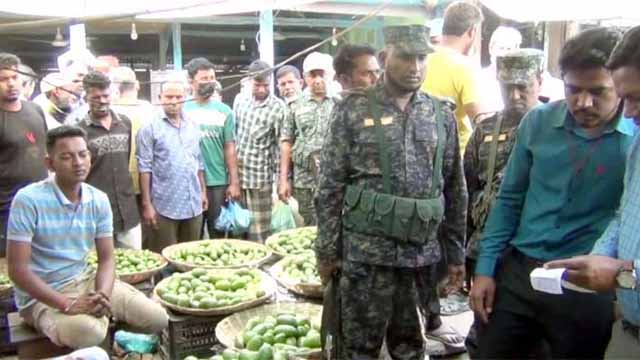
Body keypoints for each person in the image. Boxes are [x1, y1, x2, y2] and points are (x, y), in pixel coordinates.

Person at [468, 27, 631, 359]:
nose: (583, 102)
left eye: (598, 91)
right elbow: (510, 199)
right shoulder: (538, 122)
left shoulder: (634, 141)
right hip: (519, 272)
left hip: (583, 282)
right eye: (574, 90)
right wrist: (485, 269)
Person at [315, 25, 467, 359]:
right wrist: (327, 251)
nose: (415, 67)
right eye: (405, 57)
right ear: (386, 58)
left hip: (419, 257)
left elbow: (455, 188)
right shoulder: (351, 110)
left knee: (411, 345)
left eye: (421, 58)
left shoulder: (441, 114)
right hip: (366, 256)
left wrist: (455, 253)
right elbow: (330, 186)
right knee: (358, 348)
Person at [6, 125, 168, 349]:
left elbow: (107, 259)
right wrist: (67, 305)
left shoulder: (98, 199)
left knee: (158, 318)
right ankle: (95, 324)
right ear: (49, 163)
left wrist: (102, 294)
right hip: (42, 296)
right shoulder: (28, 200)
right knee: (90, 333)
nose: (78, 162)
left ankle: (99, 315)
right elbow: (17, 270)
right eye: (66, 157)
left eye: (83, 154)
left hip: (86, 281)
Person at [544, 25, 640, 359]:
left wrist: (624, 274)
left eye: (637, 98)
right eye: (624, 98)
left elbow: (626, 273)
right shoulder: (639, 144)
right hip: (628, 332)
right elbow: (625, 216)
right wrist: (600, 255)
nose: (627, 112)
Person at [463, 48, 546, 356]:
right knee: (487, 329)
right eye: (506, 87)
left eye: (523, 86)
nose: (514, 95)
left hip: (533, 253)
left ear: (539, 81)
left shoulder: (555, 128)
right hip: (487, 252)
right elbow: (466, 188)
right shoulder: (485, 130)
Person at [137, 76, 207, 252]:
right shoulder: (150, 128)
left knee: (190, 255)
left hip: (193, 204)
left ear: (185, 98)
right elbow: (144, 168)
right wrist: (147, 204)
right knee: (164, 257)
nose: (174, 102)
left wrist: (203, 192)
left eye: (178, 97)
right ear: (160, 98)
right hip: (164, 206)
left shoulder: (193, 125)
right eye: (169, 97)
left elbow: (198, 162)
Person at [78, 71, 141, 249]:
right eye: (96, 97)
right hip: (95, 212)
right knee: (99, 265)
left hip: (127, 210)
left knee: (135, 263)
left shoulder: (125, 123)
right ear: (86, 97)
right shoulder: (80, 130)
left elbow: (125, 161)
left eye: (105, 95)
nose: (102, 101)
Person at [183, 57, 240, 239]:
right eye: (204, 78)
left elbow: (229, 147)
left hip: (217, 182)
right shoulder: (182, 110)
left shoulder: (224, 111)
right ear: (191, 81)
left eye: (212, 78)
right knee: (193, 234)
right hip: (189, 183)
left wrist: (234, 181)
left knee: (218, 231)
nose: (209, 82)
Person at [279, 52, 338, 226]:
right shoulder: (294, 106)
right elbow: (286, 142)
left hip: (333, 178)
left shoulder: (341, 104)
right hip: (304, 180)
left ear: (331, 75)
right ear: (305, 78)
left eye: (322, 74)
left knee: (333, 223)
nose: (318, 79)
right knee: (309, 224)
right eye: (313, 75)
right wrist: (284, 180)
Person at [0, 53, 48, 257]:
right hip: (6, 207)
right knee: (10, 265)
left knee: (41, 259)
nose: (11, 84)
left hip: (41, 201)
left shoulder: (35, 109)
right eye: (3, 79)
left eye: (14, 77)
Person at [234, 60, 288, 242]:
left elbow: (283, 147)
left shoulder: (278, 107)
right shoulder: (240, 102)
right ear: (249, 81)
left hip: (260, 181)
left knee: (258, 234)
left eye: (266, 85)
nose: (262, 90)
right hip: (239, 180)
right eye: (258, 85)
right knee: (238, 230)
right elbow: (234, 138)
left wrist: (282, 182)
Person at [421, 0, 483, 153]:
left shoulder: (422, 59)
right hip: (453, 159)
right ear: (472, 31)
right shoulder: (464, 66)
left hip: (421, 153)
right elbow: (481, 120)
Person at [110, 66, 154, 198]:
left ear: (115, 88)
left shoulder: (110, 111)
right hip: (148, 180)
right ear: (137, 85)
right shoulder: (150, 110)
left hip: (118, 182)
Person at [480, 26, 523, 112]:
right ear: (491, 48)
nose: (504, 54)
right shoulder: (480, 78)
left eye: (509, 49)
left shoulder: (523, 79)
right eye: (501, 48)